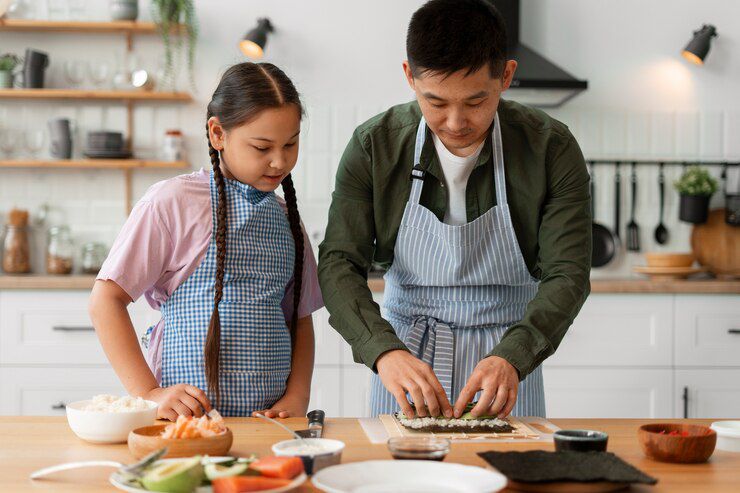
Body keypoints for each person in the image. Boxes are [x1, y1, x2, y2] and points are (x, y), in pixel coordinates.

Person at [318, 0, 591, 419]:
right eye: (436, 102)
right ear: (410, 77)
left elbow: (568, 273)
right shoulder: (375, 146)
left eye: (476, 101)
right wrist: (383, 351)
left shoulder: (550, 147)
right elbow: (338, 263)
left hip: (508, 359)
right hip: (405, 354)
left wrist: (514, 357)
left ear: (506, 77)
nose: (455, 121)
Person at [89, 63, 323, 420]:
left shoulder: (287, 218)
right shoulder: (173, 202)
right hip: (186, 424)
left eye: (290, 144)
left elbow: (300, 318)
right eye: (262, 147)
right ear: (218, 134)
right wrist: (149, 392)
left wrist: (296, 397)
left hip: (269, 424)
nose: (279, 160)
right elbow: (105, 299)